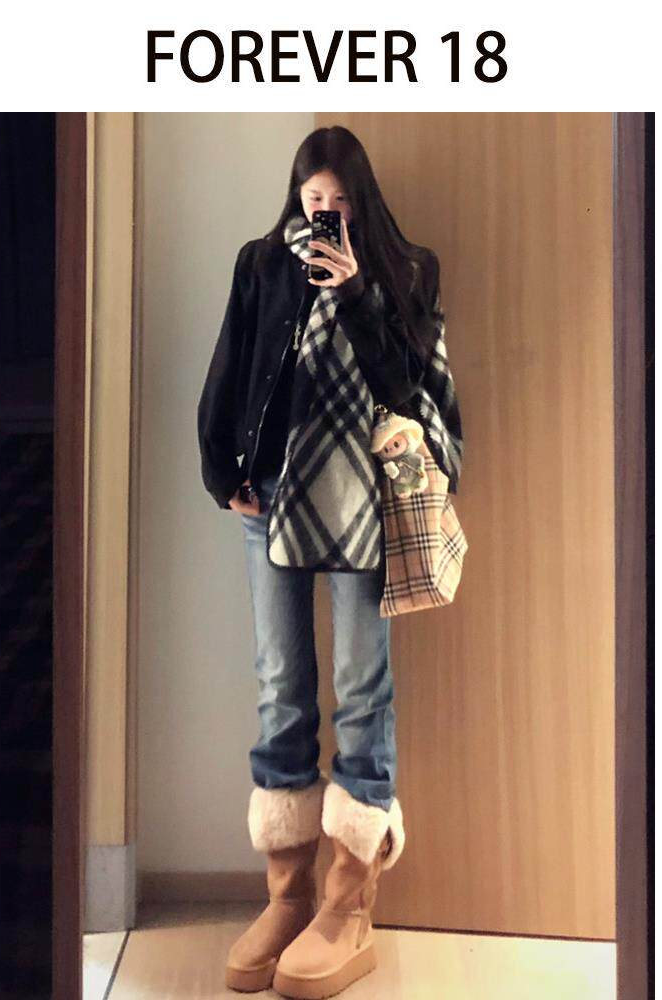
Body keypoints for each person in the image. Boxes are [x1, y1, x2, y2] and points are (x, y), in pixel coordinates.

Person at [197, 125, 454, 999]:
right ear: (297, 196)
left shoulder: (405, 270)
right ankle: (288, 897)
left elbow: (408, 389)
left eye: (340, 203)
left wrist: (356, 296)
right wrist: (221, 472)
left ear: (360, 201)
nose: (325, 216)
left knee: (361, 686)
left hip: (363, 503)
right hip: (270, 494)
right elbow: (231, 367)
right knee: (281, 684)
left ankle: (348, 907)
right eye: (314, 202)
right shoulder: (262, 263)